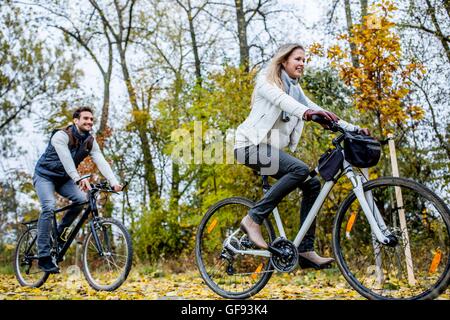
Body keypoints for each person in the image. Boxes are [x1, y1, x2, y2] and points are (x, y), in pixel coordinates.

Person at [234, 43, 370, 269]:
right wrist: (307, 113)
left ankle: (305, 249)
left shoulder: (296, 90)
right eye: (297, 59)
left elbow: (316, 107)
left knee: (312, 184)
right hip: (248, 146)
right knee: (299, 170)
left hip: (269, 151)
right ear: (284, 61)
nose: (302, 64)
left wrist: (354, 129)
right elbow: (284, 102)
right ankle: (253, 218)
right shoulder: (266, 83)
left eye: (304, 60)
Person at [33, 107, 122, 273]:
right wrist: (78, 178)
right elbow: (66, 160)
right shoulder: (61, 135)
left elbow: (101, 161)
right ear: (76, 120)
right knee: (49, 207)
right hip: (45, 176)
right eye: (85, 119)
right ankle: (43, 255)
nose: (89, 122)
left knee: (82, 199)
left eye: (91, 120)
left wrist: (114, 182)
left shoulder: (90, 141)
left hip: (64, 179)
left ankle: (59, 235)